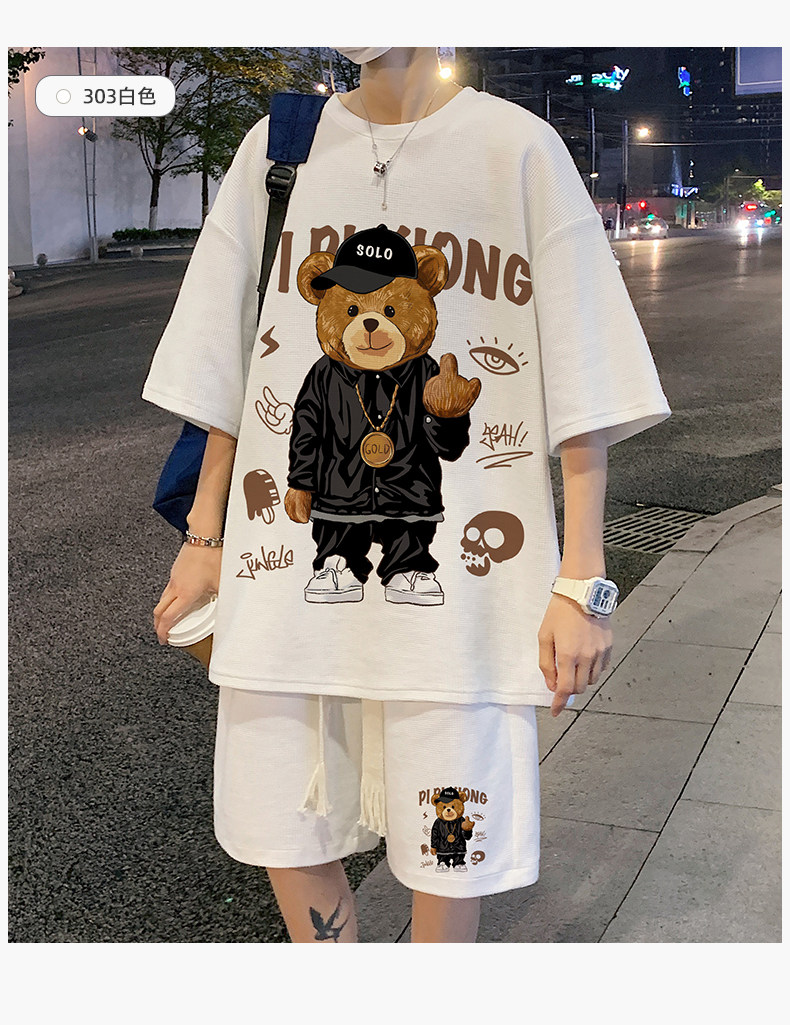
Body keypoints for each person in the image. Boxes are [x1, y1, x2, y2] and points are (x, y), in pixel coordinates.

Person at [143, 46, 670, 943]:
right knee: (282, 816)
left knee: (448, 843)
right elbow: (227, 361)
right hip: (288, 586)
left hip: (461, 605)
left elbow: (586, 379)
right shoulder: (279, 147)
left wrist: (582, 580)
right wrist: (203, 538)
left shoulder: (518, 148)